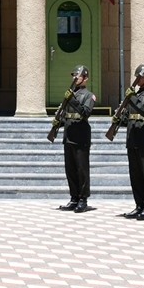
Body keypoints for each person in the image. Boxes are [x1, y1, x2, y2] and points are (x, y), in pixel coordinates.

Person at [119, 63, 144, 221]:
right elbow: (126, 119)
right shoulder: (133, 97)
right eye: (136, 77)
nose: (138, 80)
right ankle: (138, 205)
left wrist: (132, 98)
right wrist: (119, 117)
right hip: (132, 139)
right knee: (135, 174)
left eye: (140, 77)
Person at [57, 65, 97, 213]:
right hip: (69, 135)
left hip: (81, 136)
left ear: (85, 78)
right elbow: (66, 114)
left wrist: (71, 100)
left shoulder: (89, 95)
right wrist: (58, 122)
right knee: (70, 169)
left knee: (81, 169)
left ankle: (83, 199)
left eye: (78, 76)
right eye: (74, 75)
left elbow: (85, 112)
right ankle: (74, 198)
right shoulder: (70, 94)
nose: (75, 78)